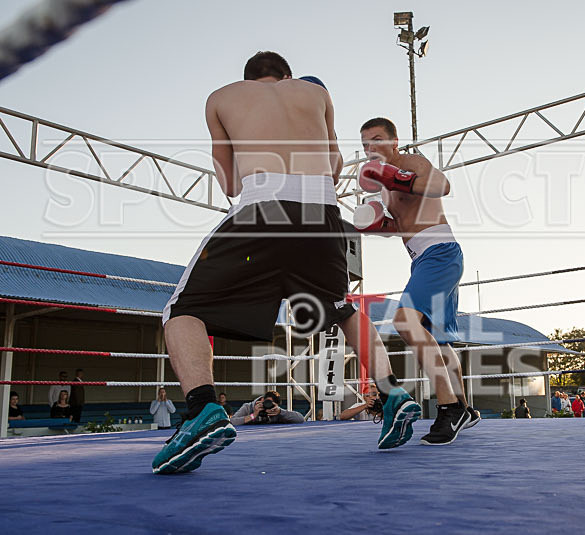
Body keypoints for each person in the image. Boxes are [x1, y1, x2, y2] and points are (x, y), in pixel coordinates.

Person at [153, 52, 422, 474]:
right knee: (341, 306)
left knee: (181, 310)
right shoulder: (315, 93)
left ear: (248, 80)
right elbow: (333, 167)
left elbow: (228, 184)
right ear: (286, 76)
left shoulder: (221, 98)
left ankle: (202, 411)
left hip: (263, 208)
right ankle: (392, 393)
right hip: (321, 213)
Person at [356, 116, 479, 445]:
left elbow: (443, 187)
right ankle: (465, 408)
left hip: (440, 251)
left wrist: (400, 179)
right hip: (423, 258)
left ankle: (448, 407)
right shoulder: (384, 186)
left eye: (378, 139)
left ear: (394, 142)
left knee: (405, 322)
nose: (371, 147)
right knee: (439, 340)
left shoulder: (412, 162)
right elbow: (400, 226)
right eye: (366, 143)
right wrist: (376, 224)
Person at [230, 391, 304, 425]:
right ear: (262, 399)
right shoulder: (248, 407)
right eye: (268, 402)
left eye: (272, 404)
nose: (269, 405)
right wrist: (253, 415)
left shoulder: (275, 411)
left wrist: (280, 412)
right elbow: (232, 422)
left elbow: (301, 419)